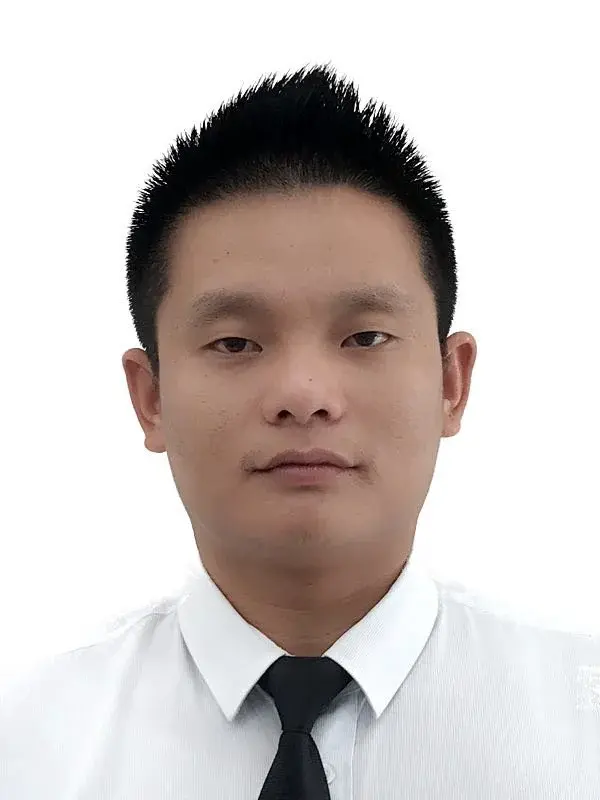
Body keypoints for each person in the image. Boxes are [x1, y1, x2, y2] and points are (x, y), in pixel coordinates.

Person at [2, 63, 598, 799]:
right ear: (150, 397)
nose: (304, 395)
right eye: (235, 342)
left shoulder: (584, 723)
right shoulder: (25, 743)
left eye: (365, 337)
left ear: (452, 382)